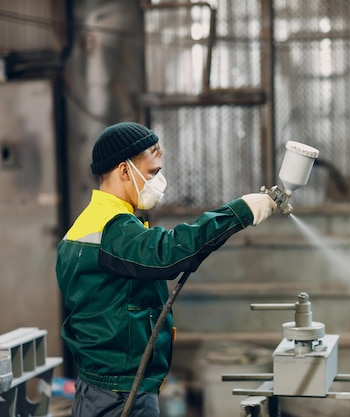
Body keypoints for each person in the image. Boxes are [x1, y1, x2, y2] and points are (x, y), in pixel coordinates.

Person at [56, 122, 277, 416]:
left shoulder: (82, 227)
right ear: (124, 171)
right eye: (152, 173)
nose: (158, 182)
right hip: (121, 394)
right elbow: (169, 251)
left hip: (96, 387)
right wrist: (239, 212)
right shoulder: (114, 229)